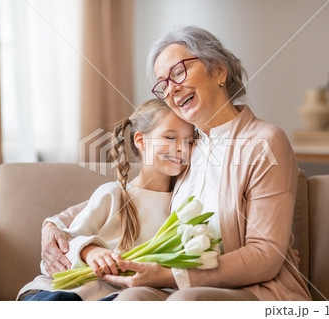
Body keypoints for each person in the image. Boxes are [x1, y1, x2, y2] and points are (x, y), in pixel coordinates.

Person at [41, 26, 312, 301]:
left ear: (219, 70)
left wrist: (168, 275)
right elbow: (131, 195)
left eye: (179, 72)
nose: (171, 89)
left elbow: (265, 256)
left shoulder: (264, 141)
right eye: (163, 84)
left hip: (255, 290)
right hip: (181, 286)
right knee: (129, 301)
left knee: (184, 303)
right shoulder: (187, 150)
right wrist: (52, 226)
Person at [17, 98, 195, 301]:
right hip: (69, 292)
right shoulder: (112, 194)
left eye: (189, 141)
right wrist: (89, 252)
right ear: (141, 141)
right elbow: (61, 250)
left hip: (116, 298)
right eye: (170, 138)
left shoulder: (182, 207)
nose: (182, 148)